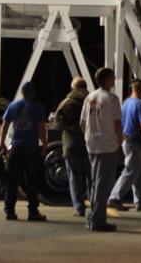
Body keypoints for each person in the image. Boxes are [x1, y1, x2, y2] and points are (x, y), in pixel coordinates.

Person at [0, 80, 48, 222]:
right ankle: (33, 212)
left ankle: (9, 211)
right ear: (33, 92)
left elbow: (5, 126)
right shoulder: (38, 107)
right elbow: (41, 128)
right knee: (31, 181)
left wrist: (2, 144)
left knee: (11, 180)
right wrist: (44, 145)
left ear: (22, 92)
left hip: (16, 147)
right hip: (31, 148)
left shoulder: (13, 106)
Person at [79, 67, 122, 232]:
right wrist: (120, 139)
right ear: (107, 80)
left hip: (92, 144)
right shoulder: (112, 98)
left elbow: (82, 123)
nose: (114, 79)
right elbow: (117, 123)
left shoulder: (89, 97)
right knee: (103, 184)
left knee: (96, 183)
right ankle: (98, 221)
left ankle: (92, 217)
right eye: (112, 77)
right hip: (107, 145)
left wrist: (89, 137)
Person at [107, 78, 141, 211]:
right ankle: (114, 198)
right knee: (131, 171)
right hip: (136, 142)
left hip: (126, 140)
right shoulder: (140, 105)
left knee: (137, 172)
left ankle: (140, 201)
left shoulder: (125, 103)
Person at [54, 76, 90, 217]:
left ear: (72, 88)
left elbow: (57, 124)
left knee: (74, 178)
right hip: (90, 144)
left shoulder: (67, 102)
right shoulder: (92, 101)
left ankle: (79, 208)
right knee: (91, 178)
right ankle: (95, 205)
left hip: (71, 145)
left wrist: (72, 129)